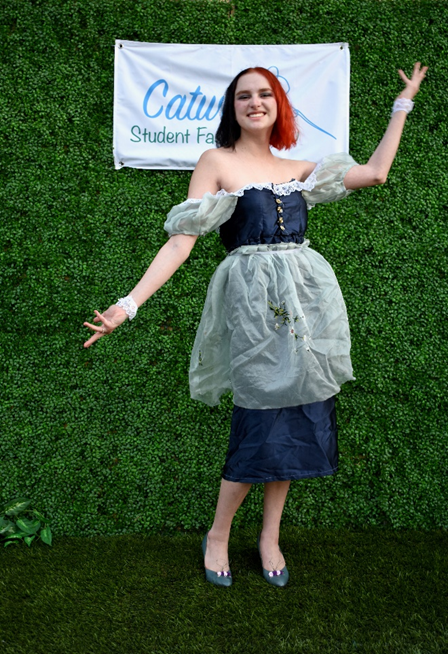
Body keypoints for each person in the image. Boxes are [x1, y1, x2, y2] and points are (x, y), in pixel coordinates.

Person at [84, 62, 427, 588]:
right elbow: (181, 242)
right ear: (233, 108)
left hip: (306, 310)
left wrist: (403, 104)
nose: (255, 102)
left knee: (297, 415)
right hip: (253, 311)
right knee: (258, 420)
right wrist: (127, 305)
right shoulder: (216, 162)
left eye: (264, 94)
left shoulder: (300, 168)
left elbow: (376, 173)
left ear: (278, 105)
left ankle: (270, 536)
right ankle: (218, 534)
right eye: (243, 95)